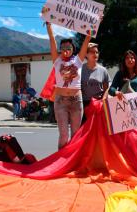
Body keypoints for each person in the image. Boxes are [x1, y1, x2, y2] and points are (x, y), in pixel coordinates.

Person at [46, 21, 91, 149]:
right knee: (64, 135)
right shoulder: (57, 60)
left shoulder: (78, 60)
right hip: (60, 101)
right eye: (63, 48)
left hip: (76, 101)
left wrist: (96, 21)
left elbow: (87, 40)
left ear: (73, 49)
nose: (65, 50)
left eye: (68, 48)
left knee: (76, 135)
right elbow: (52, 41)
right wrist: (49, 26)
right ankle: (61, 163)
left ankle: (73, 163)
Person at [81, 43, 110, 124]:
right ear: (86, 54)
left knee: (99, 131)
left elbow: (107, 88)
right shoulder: (80, 69)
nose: (95, 54)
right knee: (85, 131)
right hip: (85, 104)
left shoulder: (103, 70)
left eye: (97, 52)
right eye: (92, 52)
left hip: (99, 105)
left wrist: (103, 100)